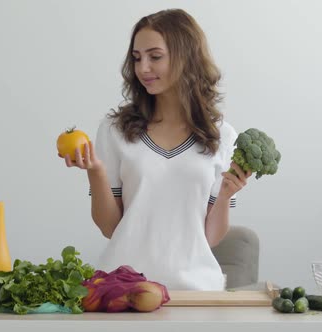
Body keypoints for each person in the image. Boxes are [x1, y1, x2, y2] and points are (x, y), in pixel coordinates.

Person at [62, 9, 250, 290]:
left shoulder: (222, 135)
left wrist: (225, 195)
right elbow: (110, 228)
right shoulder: (114, 130)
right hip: (124, 289)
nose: (143, 68)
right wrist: (95, 171)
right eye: (137, 58)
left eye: (155, 57)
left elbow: (208, 239)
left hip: (196, 292)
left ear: (186, 56)